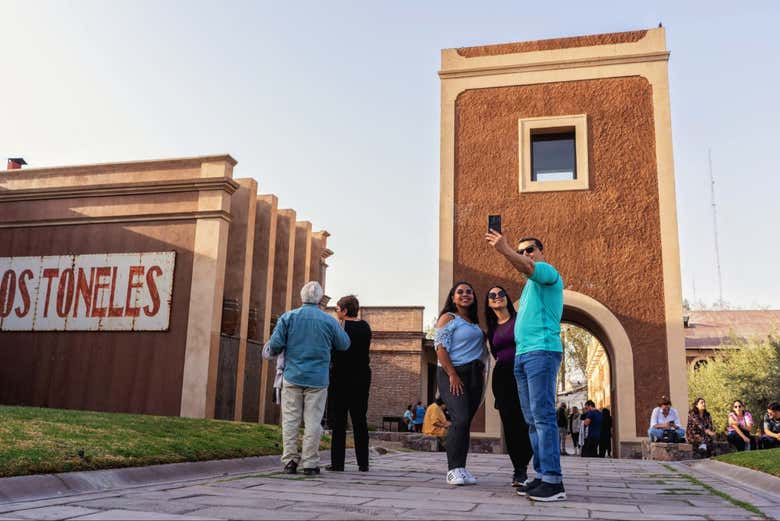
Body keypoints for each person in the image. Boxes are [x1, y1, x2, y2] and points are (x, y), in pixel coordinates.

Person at [485, 231, 566, 502]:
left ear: (541, 252)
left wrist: (505, 250)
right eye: (521, 251)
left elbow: (529, 267)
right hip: (524, 356)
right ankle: (542, 476)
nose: (525, 254)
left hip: (541, 352)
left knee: (542, 417)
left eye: (529, 249)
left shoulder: (546, 272)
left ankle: (554, 482)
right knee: (531, 420)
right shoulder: (530, 287)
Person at [268, 281, 351, 476]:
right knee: (313, 421)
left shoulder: (288, 317)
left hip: (292, 375)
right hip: (318, 378)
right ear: (320, 299)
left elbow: (275, 344)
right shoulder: (329, 321)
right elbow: (344, 344)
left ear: (301, 296)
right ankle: (310, 464)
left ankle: (289, 461)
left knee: (290, 420)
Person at [434, 281, 487, 486]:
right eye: (460, 292)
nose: (465, 295)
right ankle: (452, 470)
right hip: (452, 373)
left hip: (473, 375)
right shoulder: (449, 318)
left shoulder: (473, 323)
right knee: (460, 418)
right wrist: (452, 374)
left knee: (465, 423)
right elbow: (440, 348)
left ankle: (461, 468)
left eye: (469, 292)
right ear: (453, 297)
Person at [484, 284, 533, 488]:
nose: (497, 297)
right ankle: (519, 471)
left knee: (527, 420)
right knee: (511, 424)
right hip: (503, 376)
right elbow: (496, 354)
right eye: (492, 295)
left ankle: (534, 464)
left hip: (524, 371)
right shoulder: (492, 329)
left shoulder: (519, 319)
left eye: (501, 293)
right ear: (488, 303)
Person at [327, 295, 372, 472]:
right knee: (360, 420)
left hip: (341, 378)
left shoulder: (340, 327)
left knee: (339, 422)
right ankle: (363, 462)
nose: (336, 311)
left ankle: (338, 463)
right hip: (362, 378)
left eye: (337, 308)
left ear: (345, 310)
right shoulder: (365, 326)